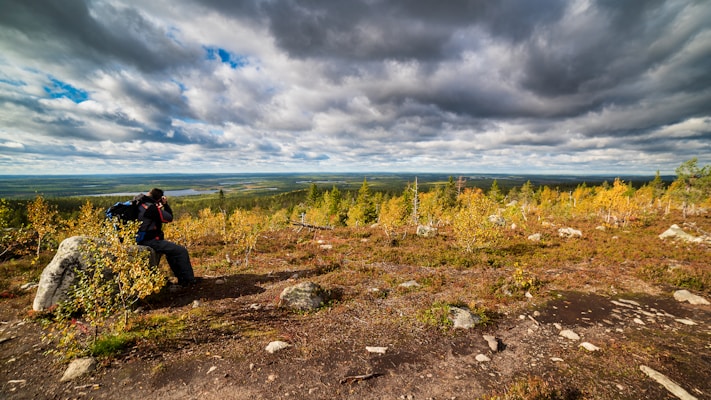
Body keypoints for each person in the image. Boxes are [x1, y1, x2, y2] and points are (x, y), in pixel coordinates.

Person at [136, 188, 199, 287]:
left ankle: (182, 279)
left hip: (137, 239)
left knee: (171, 253)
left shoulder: (139, 204)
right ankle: (188, 280)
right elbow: (168, 218)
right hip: (149, 241)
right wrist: (165, 205)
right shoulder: (150, 208)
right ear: (159, 198)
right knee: (181, 251)